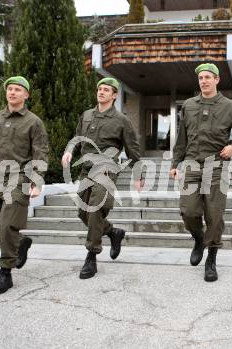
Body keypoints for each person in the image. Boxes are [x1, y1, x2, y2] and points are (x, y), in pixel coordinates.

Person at [170, 63, 232, 282]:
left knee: (214, 216)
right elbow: (181, 139)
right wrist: (175, 164)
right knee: (188, 212)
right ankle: (198, 238)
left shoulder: (229, 106)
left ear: (217, 80)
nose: (203, 81)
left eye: (208, 77)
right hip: (191, 166)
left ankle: (211, 260)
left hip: (216, 166)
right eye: (200, 78)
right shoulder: (188, 105)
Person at [0, 76, 49, 295]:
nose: (12, 92)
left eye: (17, 89)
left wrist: (37, 180)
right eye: (9, 89)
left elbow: (40, 152)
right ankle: (20, 243)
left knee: (6, 225)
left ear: (26, 95)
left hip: (20, 179)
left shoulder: (33, 122)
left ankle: (5, 273)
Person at [61, 77, 143, 280]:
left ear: (114, 95)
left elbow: (133, 149)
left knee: (96, 209)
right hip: (85, 172)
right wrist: (69, 151)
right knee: (83, 214)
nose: (101, 92)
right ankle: (113, 232)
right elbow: (77, 138)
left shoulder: (122, 120)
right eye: (100, 89)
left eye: (107, 90)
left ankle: (91, 257)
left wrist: (138, 175)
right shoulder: (87, 115)